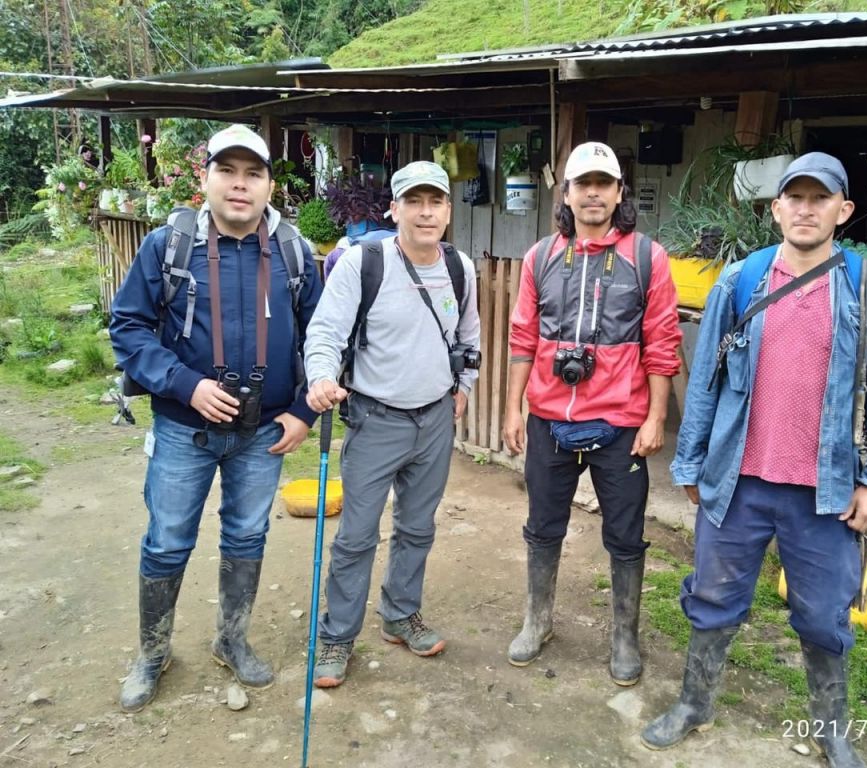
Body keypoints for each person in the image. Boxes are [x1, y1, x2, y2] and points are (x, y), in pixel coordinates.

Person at [641, 152, 867, 768]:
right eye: (796, 198)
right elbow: (704, 376)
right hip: (737, 481)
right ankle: (694, 703)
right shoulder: (741, 280)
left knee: (823, 615)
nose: (806, 209)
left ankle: (832, 730)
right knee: (713, 598)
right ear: (775, 209)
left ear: (843, 211)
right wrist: (690, 464)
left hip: (825, 491)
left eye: (821, 199)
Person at [110, 124, 323, 712]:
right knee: (168, 540)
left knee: (247, 534)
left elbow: (325, 336)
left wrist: (304, 411)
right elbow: (127, 327)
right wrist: (187, 385)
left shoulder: (293, 252)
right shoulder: (167, 246)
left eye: (253, 173)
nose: (239, 184)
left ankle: (232, 640)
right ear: (205, 178)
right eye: (227, 171)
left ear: (269, 185)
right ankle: (153, 653)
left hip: (265, 432)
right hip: (185, 428)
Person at [502, 141, 682, 686]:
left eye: (604, 183)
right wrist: (513, 408)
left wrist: (655, 418)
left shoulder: (647, 258)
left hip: (621, 424)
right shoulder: (540, 257)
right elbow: (522, 338)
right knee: (542, 526)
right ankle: (538, 620)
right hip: (550, 420)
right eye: (584, 184)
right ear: (568, 193)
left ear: (619, 191)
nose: (594, 193)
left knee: (626, 535)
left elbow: (662, 344)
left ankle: (625, 634)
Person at [302, 160, 481, 687]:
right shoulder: (363, 263)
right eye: (414, 202)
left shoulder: (459, 267)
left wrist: (463, 391)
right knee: (356, 535)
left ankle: (400, 615)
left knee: (417, 527)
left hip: (435, 420)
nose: (426, 213)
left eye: (436, 202)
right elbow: (326, 332)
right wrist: (319, 377)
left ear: (448, 209)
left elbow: (468, 339)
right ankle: (336, 636)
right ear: (395, 208)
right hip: (376, 419)